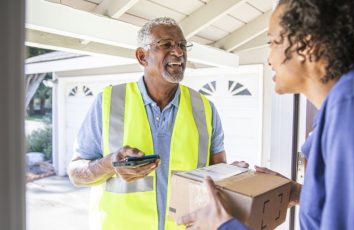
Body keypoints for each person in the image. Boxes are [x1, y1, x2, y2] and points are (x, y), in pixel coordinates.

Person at [176, 0, 354, 229]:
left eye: (272, 42)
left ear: (306, 45)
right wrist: (302, 194)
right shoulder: (352, 108)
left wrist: (224, 225)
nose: (269, 58)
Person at [67, 17, 237, 230]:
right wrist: (110, 163)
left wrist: (233, 175)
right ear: (142, 56)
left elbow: (218, 177)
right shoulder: (109, 101)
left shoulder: (204, 108)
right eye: (166, 44)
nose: (178, 52)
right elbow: (76, 173)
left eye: (182, 45)